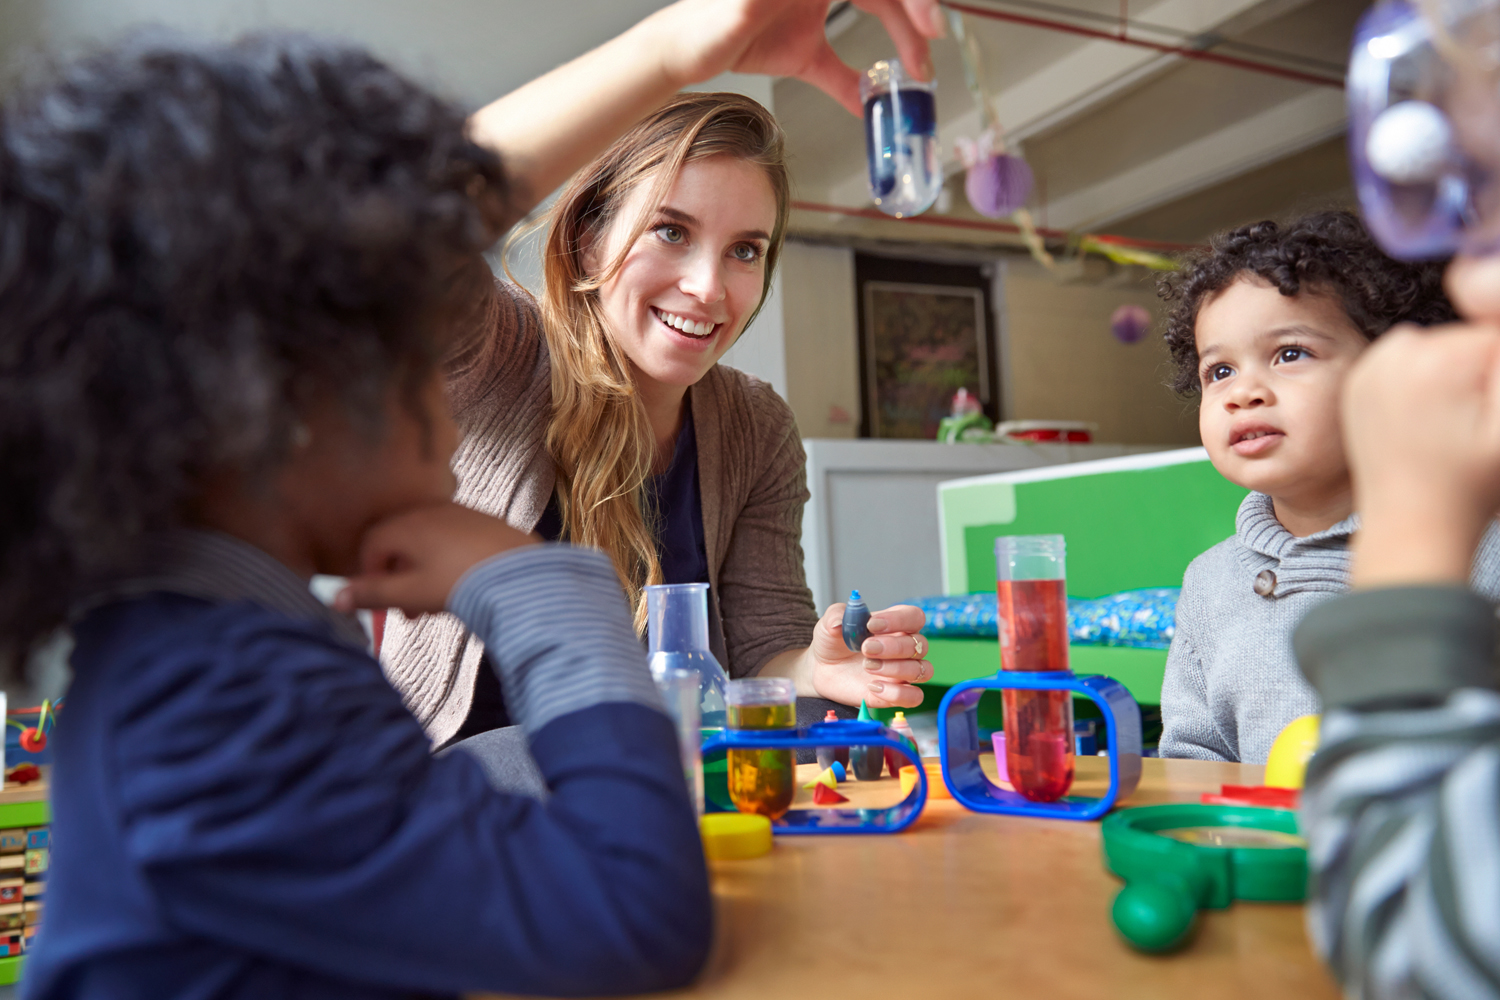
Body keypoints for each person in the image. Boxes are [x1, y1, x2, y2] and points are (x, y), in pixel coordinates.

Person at [0, 1, 944, 995]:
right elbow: (637, 912)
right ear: (277, 385)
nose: (451, 414)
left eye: (748, 249)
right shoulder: (219, 704)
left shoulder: (228, 656)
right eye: (412, 360)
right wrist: (535, 580)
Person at [382, 94, 932, 755]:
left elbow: (763, 650)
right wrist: (673, 53)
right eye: (671, 231)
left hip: (661, 786)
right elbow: (402, 221)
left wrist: (815, 669)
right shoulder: (503, 353)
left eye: (745, 250)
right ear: (589, 243)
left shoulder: (755, 424)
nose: (709, 286)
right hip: (470, 792)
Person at [1154, 211, 1500, 764]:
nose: (1243, 392)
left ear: (1390, 374)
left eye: (1290, 354)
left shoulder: (1473, 552)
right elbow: (1194, 757)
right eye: (1218, 371)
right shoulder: (1209, 582)